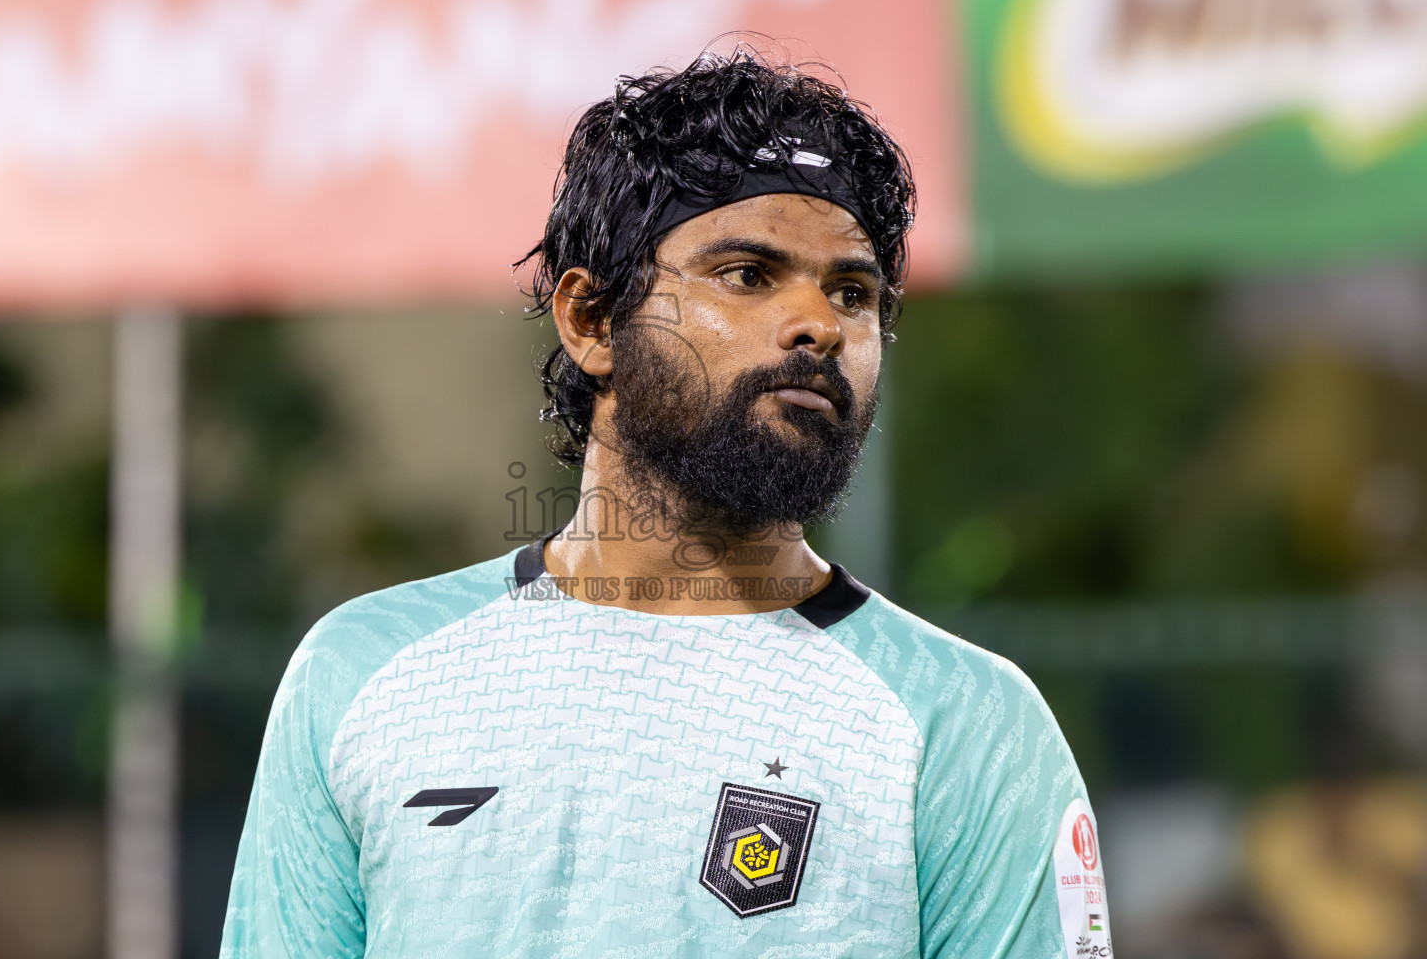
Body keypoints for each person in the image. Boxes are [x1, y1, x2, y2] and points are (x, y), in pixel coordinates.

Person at [220, 48, 1112, 958]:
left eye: (853, 292)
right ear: (593, 322)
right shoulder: (363, 675)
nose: (820, 324)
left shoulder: (965, 724)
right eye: (748, 274)